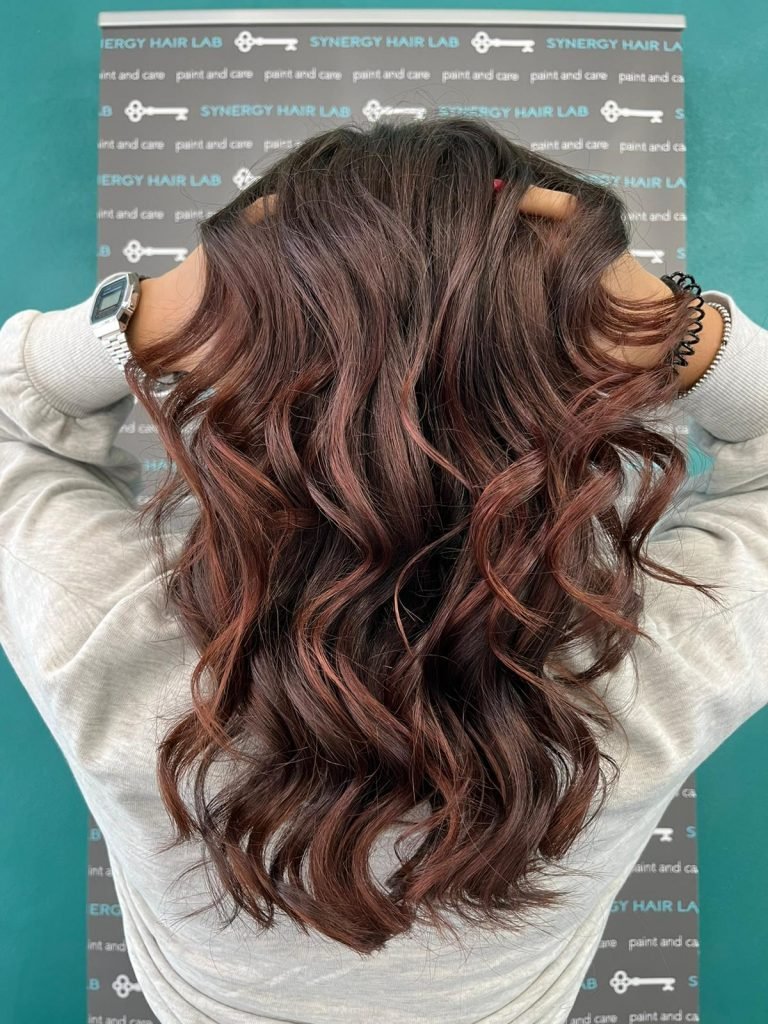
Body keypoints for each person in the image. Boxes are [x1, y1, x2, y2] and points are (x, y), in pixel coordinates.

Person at [0, 116, 764, 1024]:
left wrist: (150, 310)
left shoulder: (103, 633)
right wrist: (678, 327)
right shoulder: (654, 667)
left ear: (238, 363)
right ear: (578, 384)